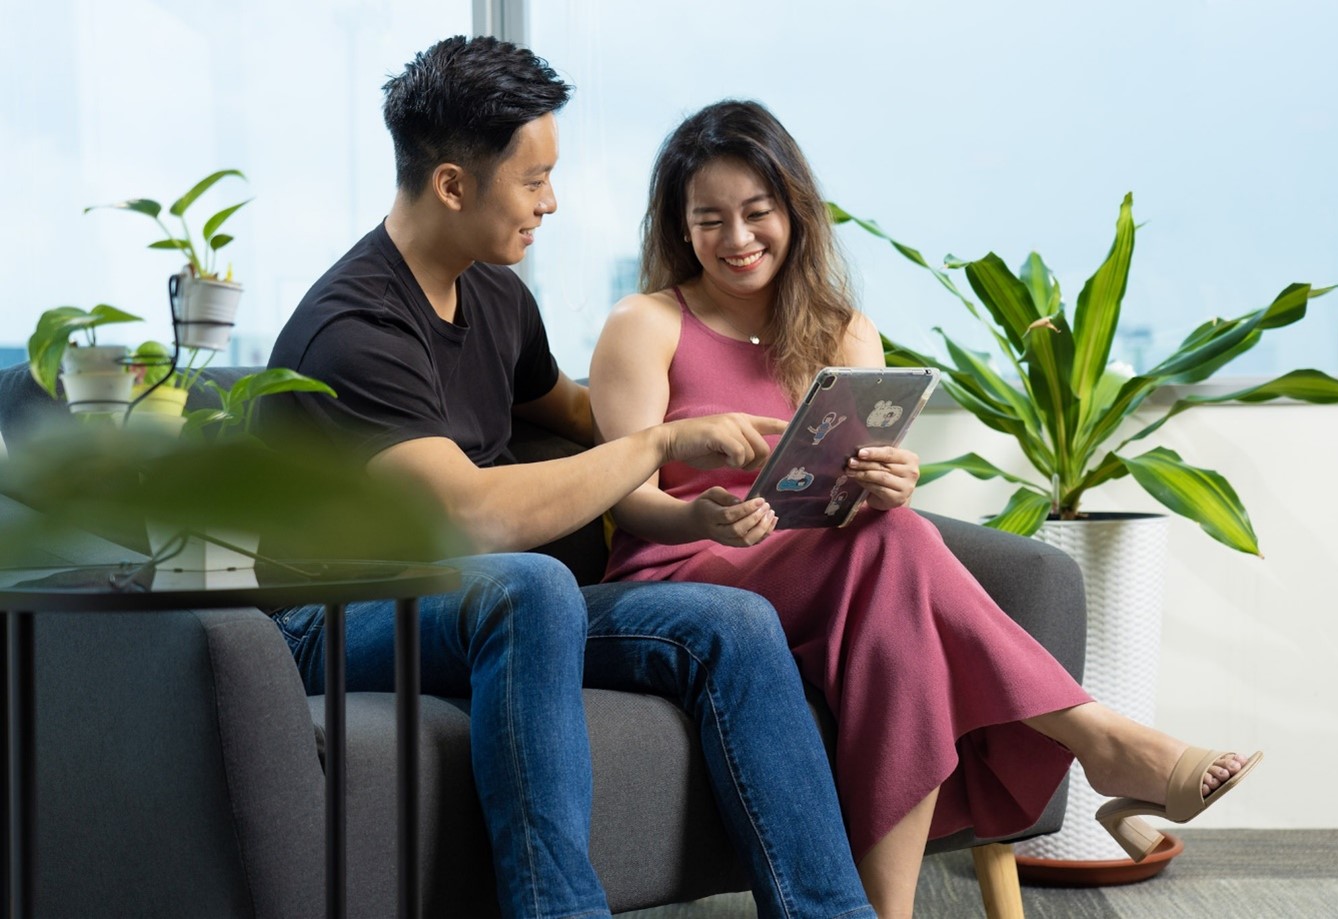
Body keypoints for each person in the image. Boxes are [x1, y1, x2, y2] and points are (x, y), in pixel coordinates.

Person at [588, 99, 1263, 919]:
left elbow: (849, 502)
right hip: (686, 571)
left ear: (794, 211)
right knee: (892, 552)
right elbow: (625, 498)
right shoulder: (645, 322)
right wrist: (703, 517)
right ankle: (1106, 742)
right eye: (708, 220)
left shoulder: (842, 331)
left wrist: (887, 483)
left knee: (892, 566)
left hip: (829, 571)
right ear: (679, 228)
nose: (736, 239)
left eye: (756, 212)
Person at [262, 40, 877, 919]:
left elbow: (585, 417)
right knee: (531, 584)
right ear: (450, 185)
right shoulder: (356, 330)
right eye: (532, 180)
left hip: (482, 609)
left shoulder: (497, 298)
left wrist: (740, 445)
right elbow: (472, 517)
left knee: (734, 622)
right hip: (335, 617)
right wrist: (662, 436)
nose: (550, 202)